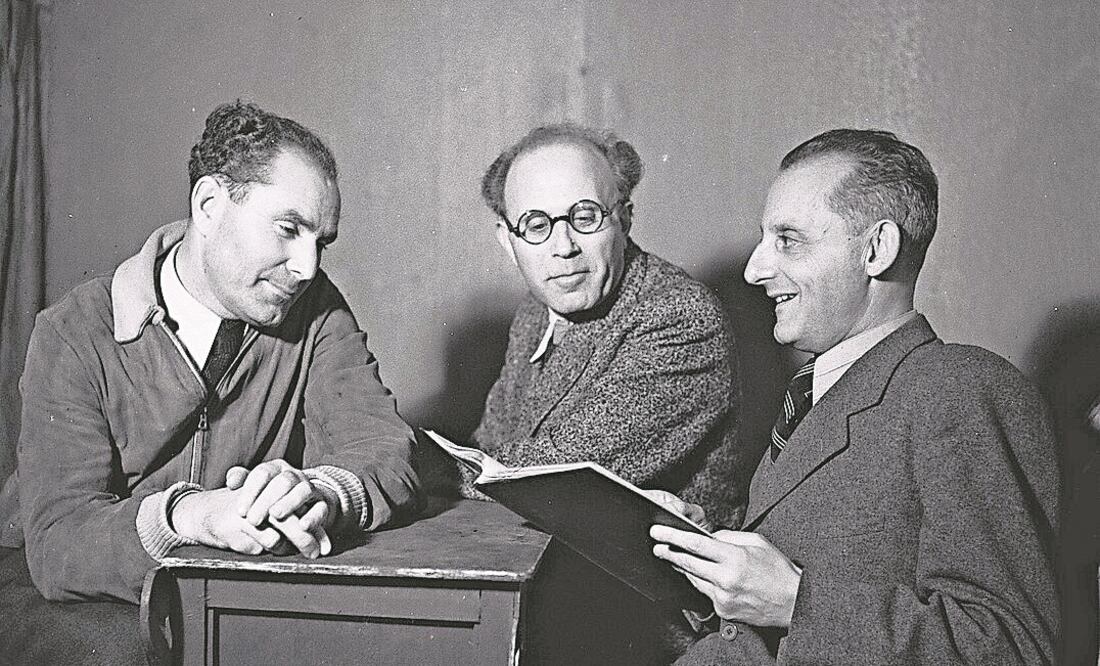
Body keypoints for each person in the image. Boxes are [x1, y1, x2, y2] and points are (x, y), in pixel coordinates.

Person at [0, 101, 420, 663]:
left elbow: (385, 449)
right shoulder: (73, 331)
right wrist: (191, 516)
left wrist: (319, 492)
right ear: (209, 205)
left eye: (321, 242)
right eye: (289, 229)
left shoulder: (316, 311)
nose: (308, 267)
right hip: (74, 598)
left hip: (222, 592)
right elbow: (60, 542)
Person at [651, 129, 1061, 664]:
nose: (755, 270)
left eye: (788, 240)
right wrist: (705, 554)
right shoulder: (815, 399)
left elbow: (1011, 647)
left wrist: (796, 602)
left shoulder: (958, 387)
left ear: (876, 250)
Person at [464, 124, 739, 664]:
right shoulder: (537, 311)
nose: (563, 247)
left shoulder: (679, 317)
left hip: (648, 636)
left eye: (585, 217)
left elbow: (541, 476)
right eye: (536, 225)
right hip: (545, 593)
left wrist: (409, 467)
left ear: (625, 218)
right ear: (507, 240)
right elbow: (490, 447)